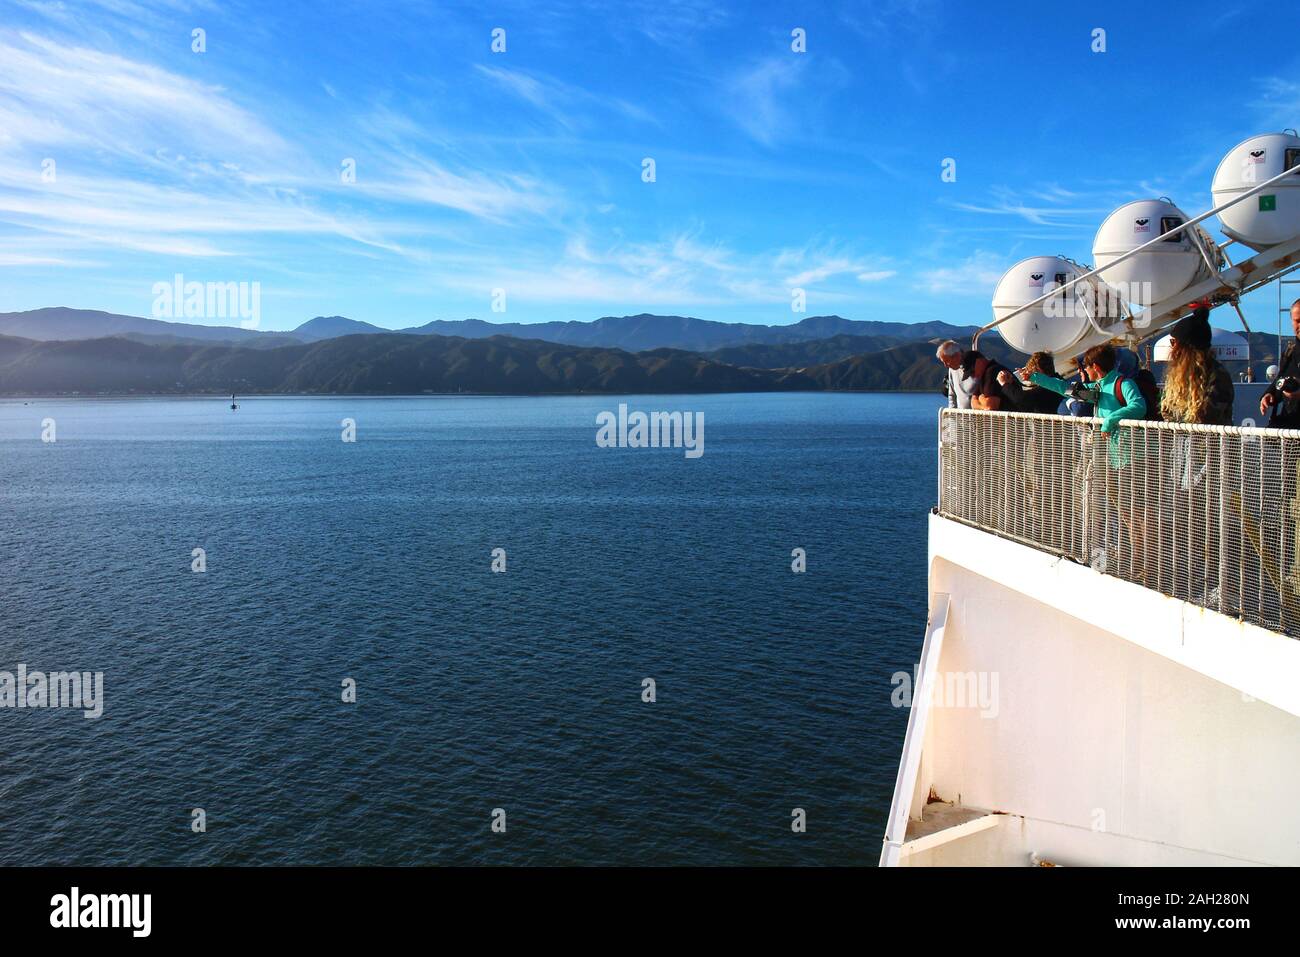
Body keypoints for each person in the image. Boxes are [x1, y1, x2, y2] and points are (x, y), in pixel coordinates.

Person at [1029, 343, 1146, 434]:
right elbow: (1064, 388)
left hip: (1133, 453)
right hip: (1115, 453)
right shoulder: (1096, 388)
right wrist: (1034, 377)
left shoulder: (1124, 384)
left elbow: (1139, 406)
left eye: (1086, 366)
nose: (1085, 370)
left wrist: (1109, 421)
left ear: (1095, 367)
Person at [1160, 306, 1233, 425]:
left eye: (1174, 342)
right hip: (1185, 442)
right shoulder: (1176, 376)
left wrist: (1180, 414)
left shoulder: (1217, 375)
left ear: (1186, 348)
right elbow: (1166, 411)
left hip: (1212, 442)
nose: (1172, 348)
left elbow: (1208, 415)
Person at [936, 340, 1008, 410]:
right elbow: (952, 395)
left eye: (947, 361)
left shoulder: (983, 368)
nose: (945, 365)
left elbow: (989, 404)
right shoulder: (951, 370)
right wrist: (952, 417)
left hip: (979, 417)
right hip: (962, 418)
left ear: (956, 356)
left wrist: (980, 403)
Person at [1261, 299, 1300, 428]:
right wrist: (1269, 394)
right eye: (1297, 321)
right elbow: (1280, 380)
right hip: (1290, 435)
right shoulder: (1290, 351)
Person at [996, 352, 1062, 414]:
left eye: (1031, 373)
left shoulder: (1050, 387)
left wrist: (1005, 384)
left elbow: (1023, 399)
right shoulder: (1058, 382)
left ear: (1038, 371)